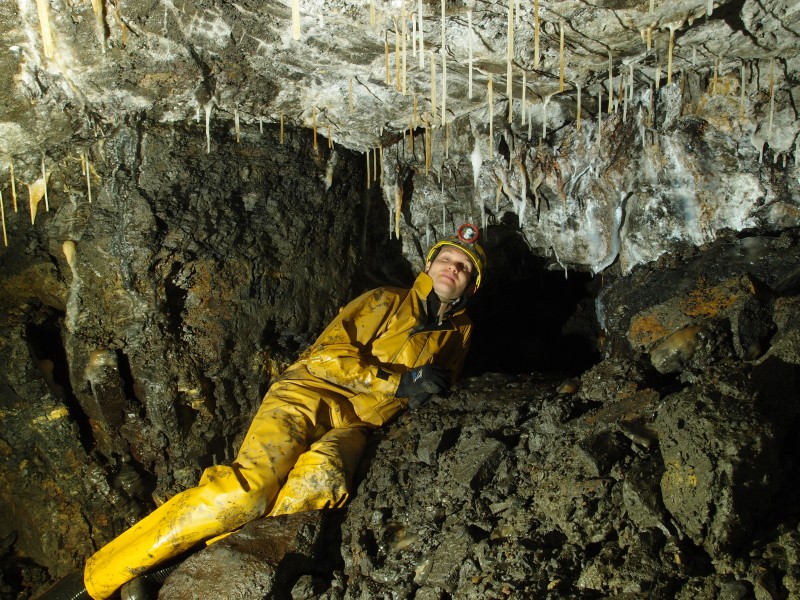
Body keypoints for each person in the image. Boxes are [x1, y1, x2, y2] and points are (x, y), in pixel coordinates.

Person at [40, 224, 487, 600]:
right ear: (428, 266)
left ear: (471, 284)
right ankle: (91, 583)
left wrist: (424, 395)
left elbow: (439, 384)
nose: (454, 268)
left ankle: (173, 577)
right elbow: (327, 356)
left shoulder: (459, 334)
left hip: (356, 425)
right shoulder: (385, 301)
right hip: (308, 395)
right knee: (246, 492)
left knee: (316, 486)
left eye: (464, 267)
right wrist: (399, 382)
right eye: (447, 259)